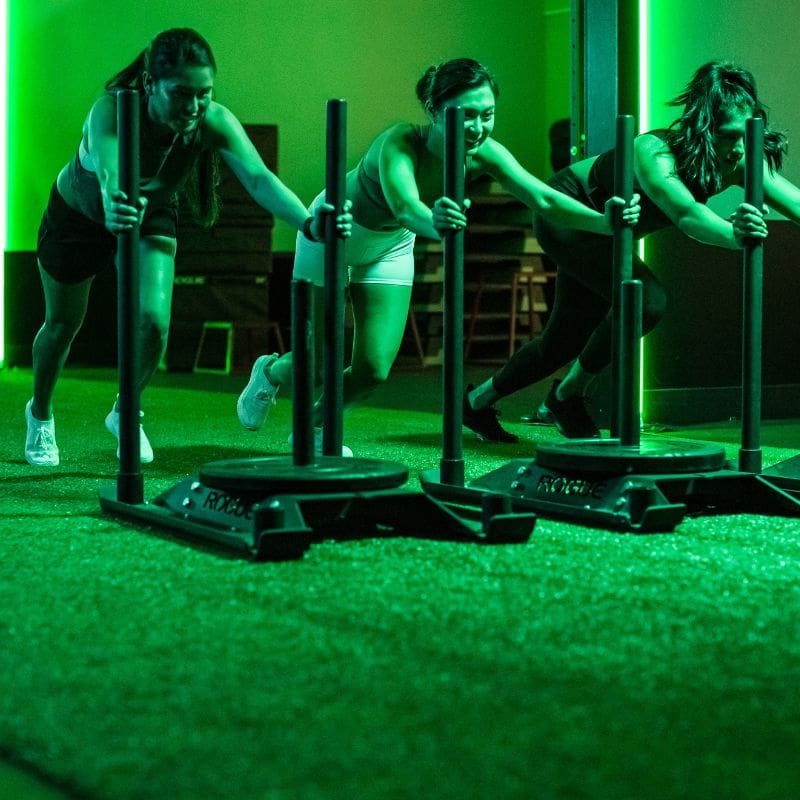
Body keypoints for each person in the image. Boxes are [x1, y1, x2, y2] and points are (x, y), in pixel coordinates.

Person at [236, 57, 638, 452]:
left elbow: (543, 197)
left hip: (390, 245)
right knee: (317, 364)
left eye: (487, 114)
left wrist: (603, 221)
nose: (476, 128)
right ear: (433, 110)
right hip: (333, 234)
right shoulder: (398, 142)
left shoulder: (484, 152)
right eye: (464, 115)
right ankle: (269, 372)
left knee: (373, 370)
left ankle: (318, 426)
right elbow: (405, 205)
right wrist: (438, 225)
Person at [24, 28, 350, 467]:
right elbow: (108, 171)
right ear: (150, 84)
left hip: (151, 212)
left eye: (204, 94)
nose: (194, 107)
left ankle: (126, 411)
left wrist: (310, 223)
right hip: (82, 216)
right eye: (181, 94)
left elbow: (258, 179)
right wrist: (115, 199)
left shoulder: (211, 120)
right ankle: (40, 413)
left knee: (155, 323)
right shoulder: (111, 110)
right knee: (63, 325)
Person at [465, 60, 797, 442]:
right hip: (572, 217)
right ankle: (566, 395)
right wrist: (733, 234)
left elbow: (795, 202)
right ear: (703, 128)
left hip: (613, 236)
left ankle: (476, 402)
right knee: (646, 301)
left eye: (745, 135)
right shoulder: (655, 152)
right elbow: (687, 214)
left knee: (561, 341)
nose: (737, 148)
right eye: (726, 136)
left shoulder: (739, 158)